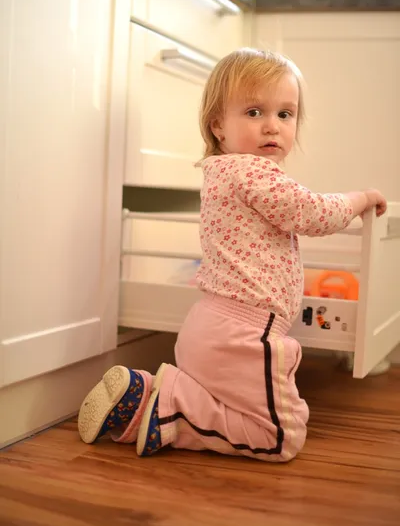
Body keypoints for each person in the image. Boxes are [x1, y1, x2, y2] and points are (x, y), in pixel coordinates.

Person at [78, 48, 387, 462]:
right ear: (218, 126)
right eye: (255, 112)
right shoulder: (253, 172)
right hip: (243, 334)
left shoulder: (221, 172)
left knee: (233, 410)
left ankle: (147, 403)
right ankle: (170, 406)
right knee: (280, 436)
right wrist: (360, 198)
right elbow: (312, 213)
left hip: (211, 326)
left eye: (285, 114)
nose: (271, 127)